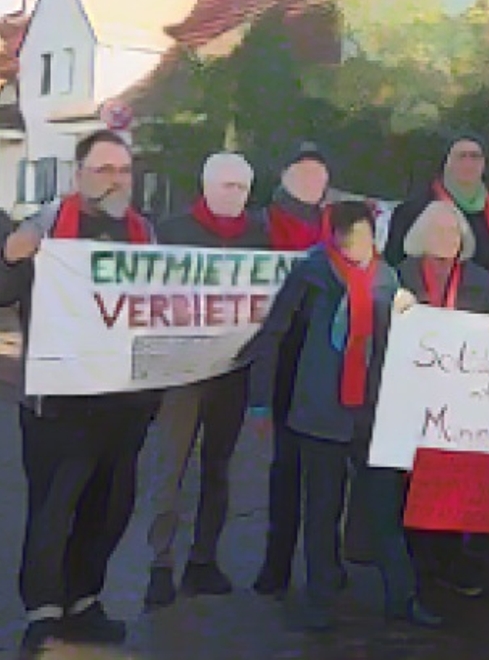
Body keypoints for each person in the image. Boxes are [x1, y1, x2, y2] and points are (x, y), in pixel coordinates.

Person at [244, 201, 440, 632]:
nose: (356, 245)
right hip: (319, 408)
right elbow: (274, 334)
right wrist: (260, 399)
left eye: (363, 235)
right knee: (321, 509)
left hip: (373, 412)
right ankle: (320, 599)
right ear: (332, 236)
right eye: (347, 235)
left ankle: (401, 597)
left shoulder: (387, 279)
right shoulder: (311, 273)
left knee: (384, 509)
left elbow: (410, 344)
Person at [1, 130, 156, 656]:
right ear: (79, 175)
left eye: (123, 171)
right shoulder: (45, 228)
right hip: (58, 403)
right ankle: (43, 612)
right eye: (104, 169)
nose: (115, 180)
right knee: (54, 509)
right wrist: (12, 257)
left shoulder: (145, 236)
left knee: (109, 507)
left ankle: (84, 601)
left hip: (122, 403)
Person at [145, 153, 271, 609]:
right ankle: (160, 563)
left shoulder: (259, 236)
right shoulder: (173, 230)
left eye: (241, 187)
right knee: (170, 467)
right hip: (182, 371)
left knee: (218, 468)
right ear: (205, 184)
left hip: (231, 371)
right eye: (225, 186)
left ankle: (203, 560)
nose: (233, 195)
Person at [393, 200, 489, 598]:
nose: (448, 240)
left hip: (462, 399)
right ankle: (416, 564)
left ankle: (451, 559)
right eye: (440, 232)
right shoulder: (402, 275)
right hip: (412, 396)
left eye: (455, 233)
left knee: (453, 478)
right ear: (422, 236)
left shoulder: (479, 279)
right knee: (414, 479)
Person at [253, 143, 338, 598]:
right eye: (302, 174)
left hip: (330, 362)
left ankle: (326, 566)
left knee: (327, 476)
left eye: (318, 175)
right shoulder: (261, 224)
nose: (311, 182)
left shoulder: (339, 225)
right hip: (286, 358)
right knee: (285, 470)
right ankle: (276, 564)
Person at [385, 132, 489, 304]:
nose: (468, 163)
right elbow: (395, 265)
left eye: (475, 157)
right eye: (461, 156)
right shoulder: (412, 211)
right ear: (447, 162)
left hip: (479, 308)